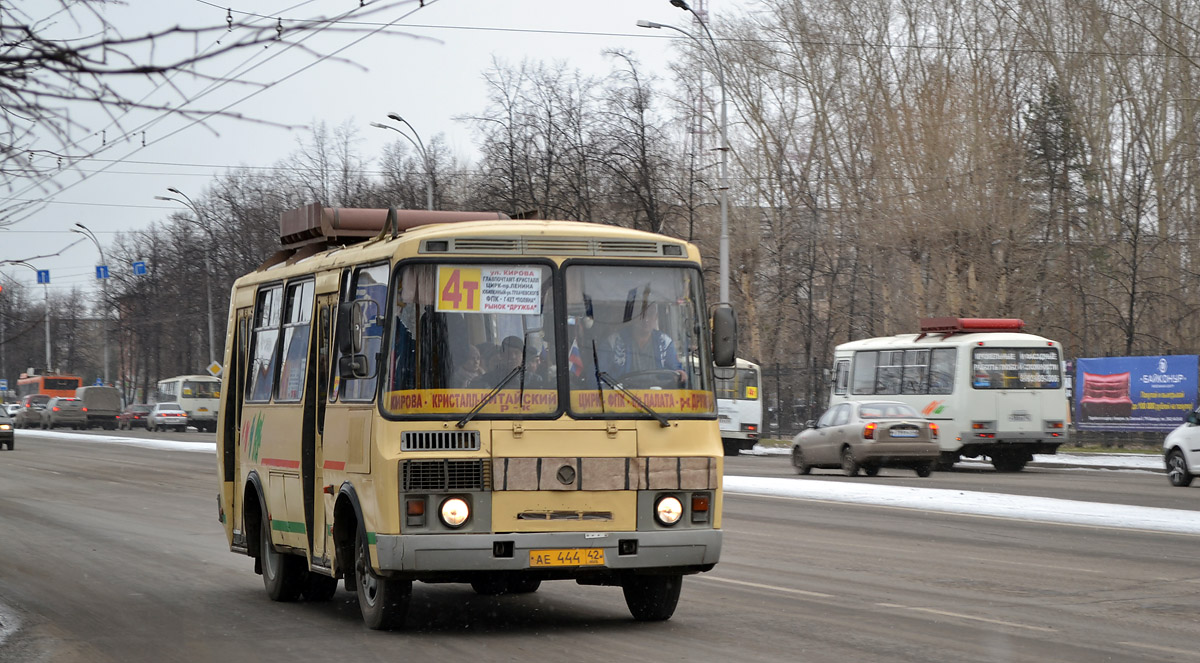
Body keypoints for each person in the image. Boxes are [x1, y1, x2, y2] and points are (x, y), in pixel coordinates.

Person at [601, 302, 686, 385]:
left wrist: (680, 374)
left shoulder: (665, 343)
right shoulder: (614, 342)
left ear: (656, 317)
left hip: (658, 396)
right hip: (623, 396)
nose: (646, 319)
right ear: (633, 316)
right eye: (641, 314)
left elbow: (676, 370)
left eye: (650, 314)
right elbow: (599, 376)